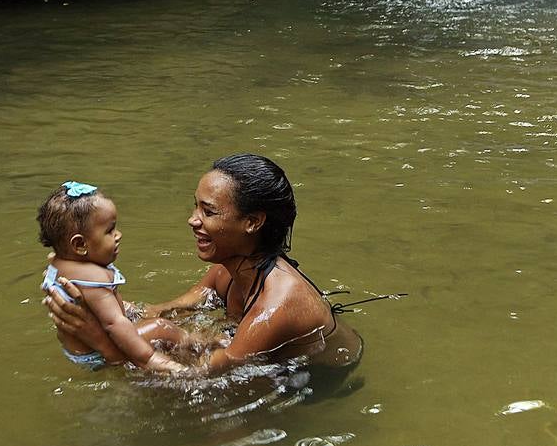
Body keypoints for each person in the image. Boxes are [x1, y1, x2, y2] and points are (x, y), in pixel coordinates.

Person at [42, 154, 363, 375]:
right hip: (248, 345)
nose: (192, 220)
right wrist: (93, 299)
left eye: (208, 212)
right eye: (195, 207)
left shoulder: (277, 305)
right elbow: (162, 311)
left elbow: (199, 384)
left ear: (252, 222)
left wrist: (100, 342)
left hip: (316, 380)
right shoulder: (228, 269)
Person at [37, 180, 185, 374]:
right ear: (80, 245)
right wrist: (149, 358)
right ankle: (196, 343)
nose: (118, 235)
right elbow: (115, 323)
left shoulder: (58, 262)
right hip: (97, 354)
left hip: (77, 351)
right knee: (161, 328)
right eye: (110, 230)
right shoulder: (94, 276)